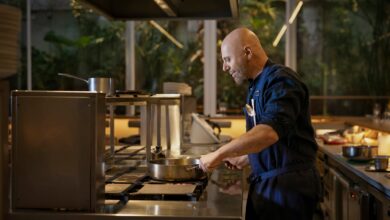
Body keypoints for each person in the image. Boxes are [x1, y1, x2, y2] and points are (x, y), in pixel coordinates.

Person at [200, 27, 321, 220]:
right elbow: (278, 141)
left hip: (288, 191)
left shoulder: (281, 81)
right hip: (268, 185)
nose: (224, 68)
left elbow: (269, 132)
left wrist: (218, 154)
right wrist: (248, 157)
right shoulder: (255, 85)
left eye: (227, 59)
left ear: (247, 52)